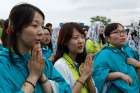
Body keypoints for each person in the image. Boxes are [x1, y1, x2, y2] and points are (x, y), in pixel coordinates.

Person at [0, 3, 71, 93]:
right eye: (34, 25)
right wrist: (33, 76)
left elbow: (66, 89)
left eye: (41, 26)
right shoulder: (3, 64)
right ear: (15, 28)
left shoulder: (41, 61)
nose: (41, 32)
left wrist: (43, 78)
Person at [92, 23, 139, 93]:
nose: (122, 34)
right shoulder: (104, 54)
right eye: (116, 32)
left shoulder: (128, 50)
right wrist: (119, 75)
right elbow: (97, 75)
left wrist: (137, 64)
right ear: (108, 38)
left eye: (123, 31)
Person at [54, 22, 97, 93]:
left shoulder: (81, 63)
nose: (81, 41)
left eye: (83, 37)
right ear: (65, 41)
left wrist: (88, 77)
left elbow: (94, 91)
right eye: (75, 38)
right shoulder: (60, 65)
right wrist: (84, 76)